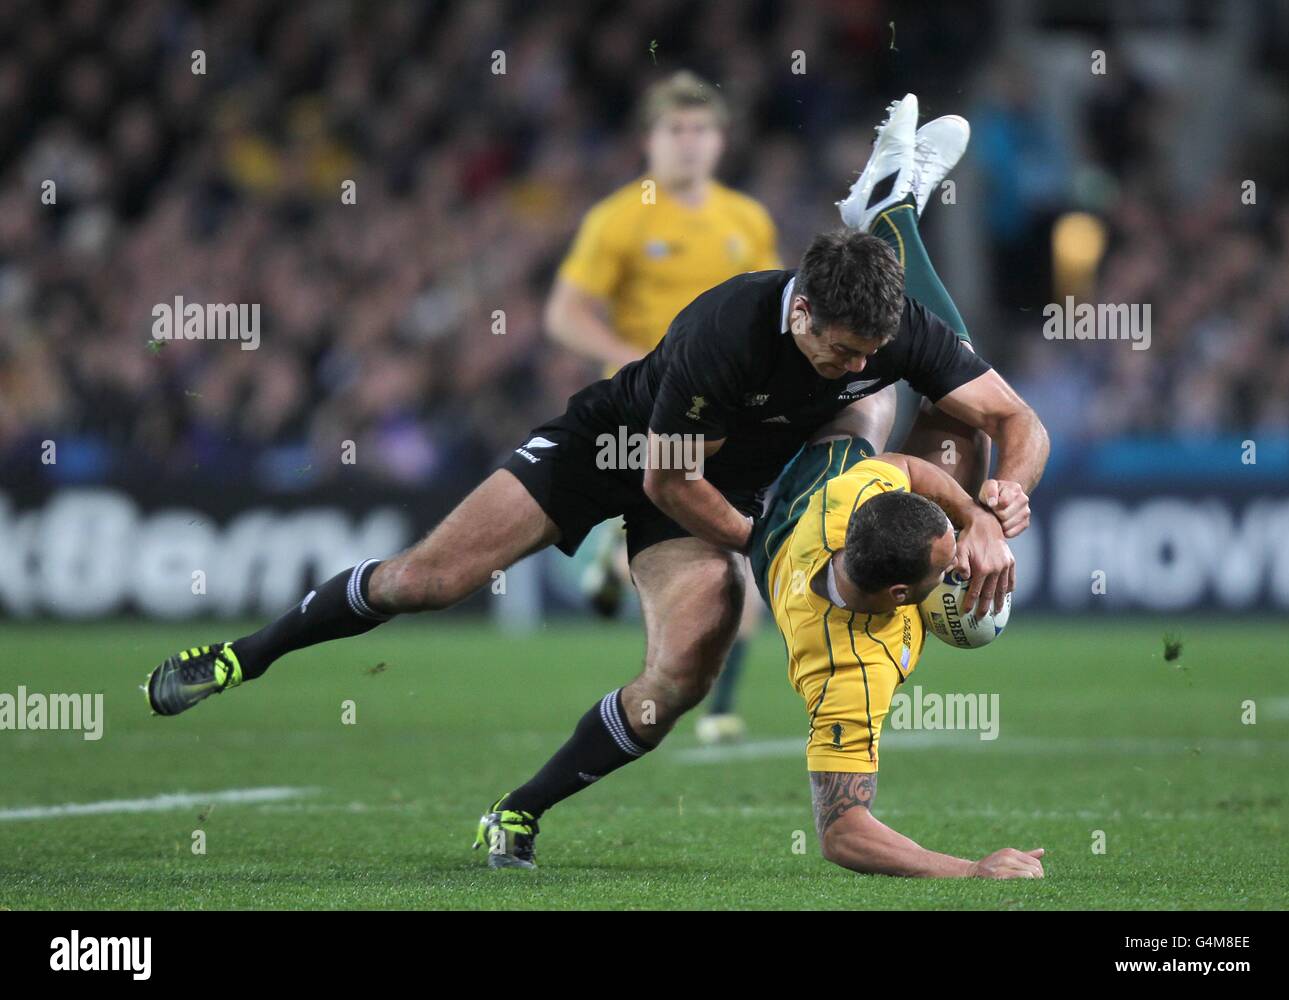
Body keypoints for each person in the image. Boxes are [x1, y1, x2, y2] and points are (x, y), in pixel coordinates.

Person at [142, 96, 1048, 874]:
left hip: (733, 479)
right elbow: (665, 479)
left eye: (869, 354)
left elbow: (1019, 424)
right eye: (843, 351)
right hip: (625, 451)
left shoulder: (890, 331)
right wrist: (766, 544)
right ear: (801, 310)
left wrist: (997, 510)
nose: (859, 364)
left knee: (682, 673)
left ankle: (518, 810)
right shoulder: (726, 334)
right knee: (428, 581)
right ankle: (242, 656)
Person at [545, 70, 779, 743]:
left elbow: (770, 307)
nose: (689, 143)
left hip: (732, 409)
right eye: (675, 130)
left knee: (732, 542)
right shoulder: (619, 217)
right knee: (725, 539)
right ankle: (721, 708)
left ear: (721, 140)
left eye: (702, 129)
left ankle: (616, 564)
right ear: (649, 139)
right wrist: (623, 354)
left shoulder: (745, 219)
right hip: (650, 407)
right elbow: (565, 314)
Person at [748, 411, 1043, 879]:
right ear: (901, 598)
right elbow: (843, 832)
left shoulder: (849, 500)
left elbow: (903, 467)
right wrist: (968, 870)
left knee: (958, 408)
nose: (960, 567)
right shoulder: (847, 675)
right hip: (781, 552)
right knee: (901, 417)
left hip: (803, 508)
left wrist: (975, 518)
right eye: (949, 569)